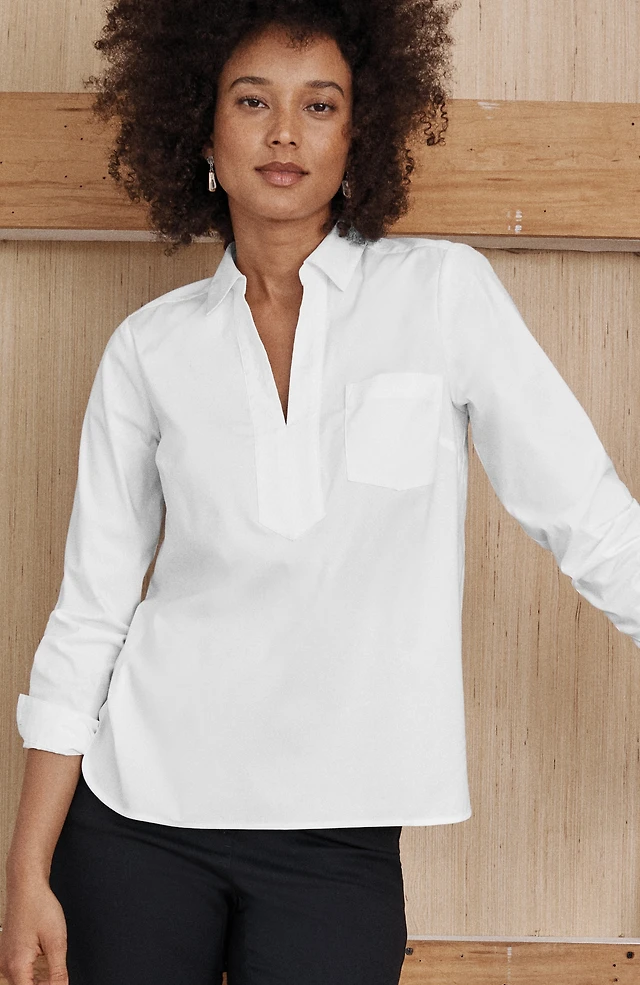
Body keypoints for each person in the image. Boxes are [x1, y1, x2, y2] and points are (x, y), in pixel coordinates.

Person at [3, 1, 640, 984]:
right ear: (202, 130)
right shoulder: (150, 349)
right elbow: (90, 612)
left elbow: (588, 516)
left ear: (358, 133)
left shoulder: (442, 294)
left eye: (320, 104)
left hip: (339, 832)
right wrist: (25, 868)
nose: (285, 134)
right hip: (137, 819)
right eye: (252, 100)